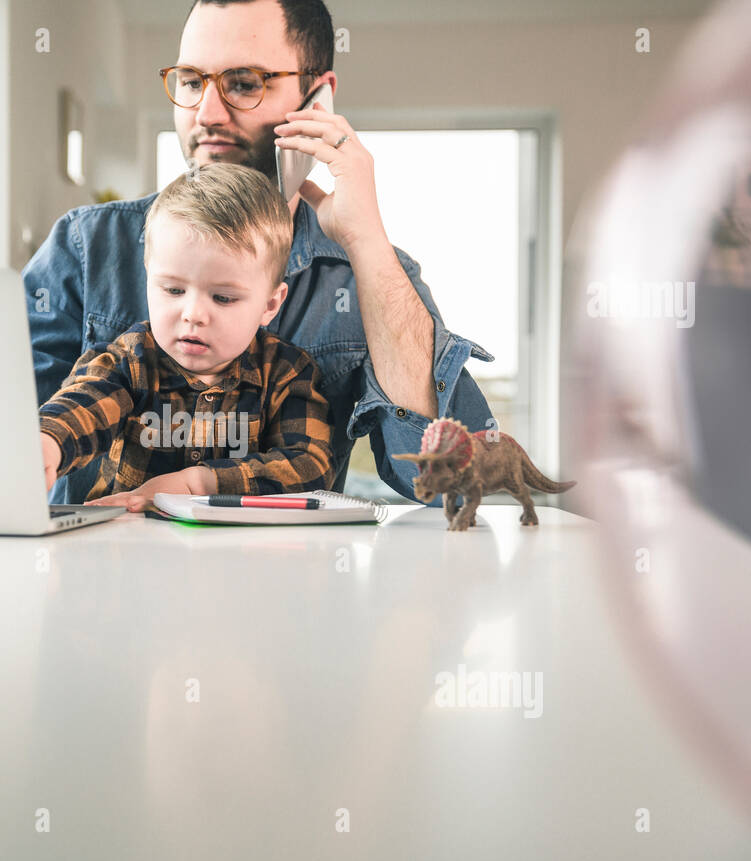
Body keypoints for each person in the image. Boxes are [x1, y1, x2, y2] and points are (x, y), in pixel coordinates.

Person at [24, 0, 495, 505]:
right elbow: (6, 444)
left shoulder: (371, 271)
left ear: (318, 99)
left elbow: (449, 484)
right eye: (190, 81)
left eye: (244, 83)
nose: (206, 113)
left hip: (285, 580)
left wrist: (365, 243)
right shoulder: (86, 247)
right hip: (103, 576)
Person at [39, 162, 335, 511]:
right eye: (173, 289)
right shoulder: (128, 361)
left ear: (270, 304)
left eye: (223, 297)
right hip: (127, 549)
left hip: (245, 555)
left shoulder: (287, 373)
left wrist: (198, 483)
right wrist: (48, 442)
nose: (193, 313)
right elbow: (83, 405)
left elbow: (310, 465)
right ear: (149, 280)